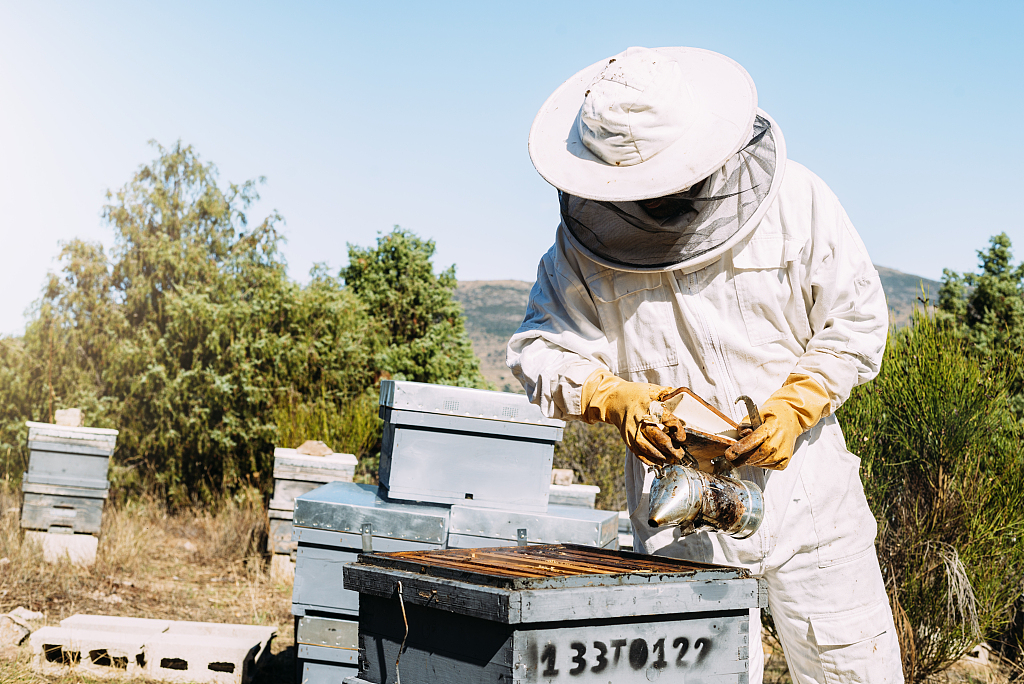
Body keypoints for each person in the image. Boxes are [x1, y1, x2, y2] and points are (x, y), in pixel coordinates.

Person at [507, 46, 903, 683]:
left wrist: (799, 401)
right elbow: (541, 349)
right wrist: (611, 397)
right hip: (680, 510)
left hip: (809, 498)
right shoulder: (584, 250)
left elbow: (854, 321)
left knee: (855, 673)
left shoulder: (795, 202)